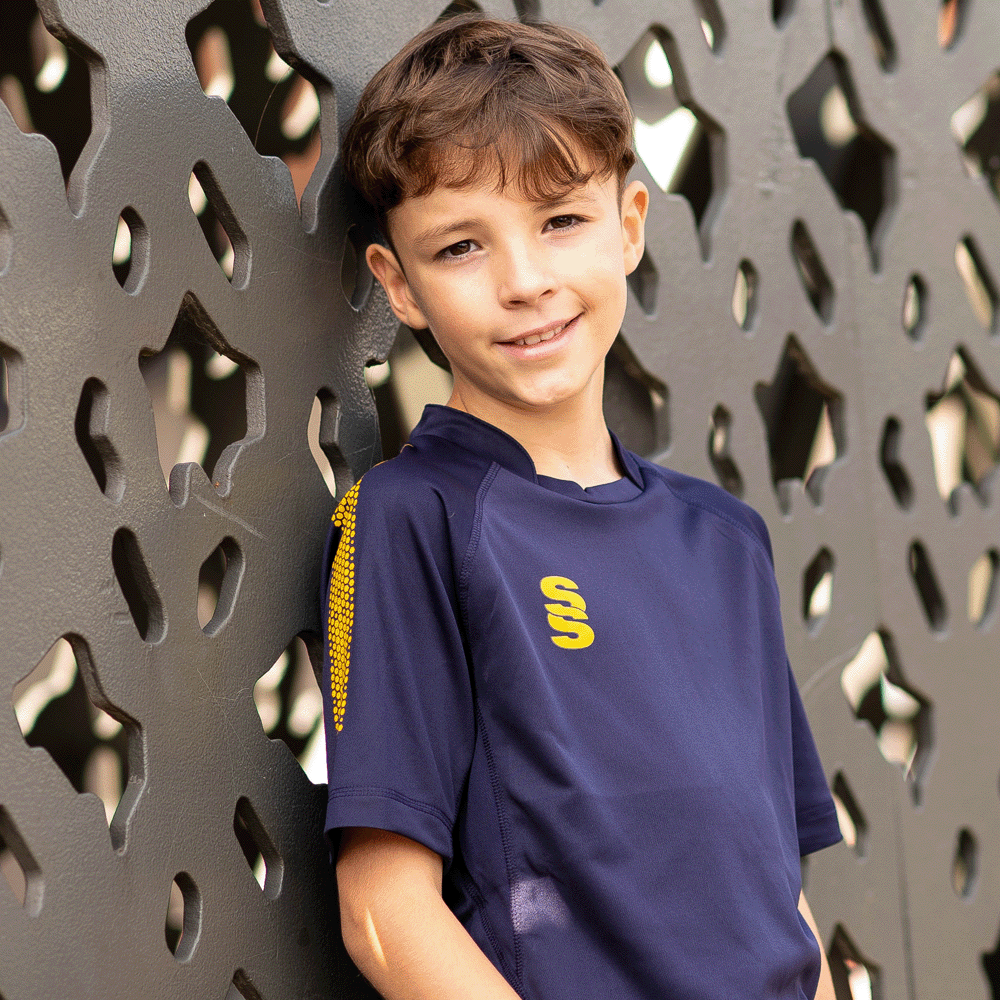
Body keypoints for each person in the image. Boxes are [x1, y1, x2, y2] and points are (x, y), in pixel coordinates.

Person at [320, 13, 842, 1000]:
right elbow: (385, 915)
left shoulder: (726, 540)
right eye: (460, 246)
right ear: (401, 286)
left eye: (560, 221)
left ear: (630, 224)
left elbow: (781, 896)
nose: (525, 283)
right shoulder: (412, 517)